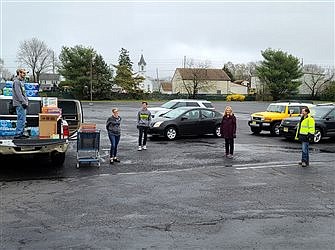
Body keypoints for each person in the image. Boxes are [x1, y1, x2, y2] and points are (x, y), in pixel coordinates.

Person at [12, 68, 29, 139]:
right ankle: (18, 134)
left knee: (23, 120)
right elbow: (19, 94)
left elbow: (23, 93)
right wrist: (23, 102)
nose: (25, 75)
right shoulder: (16, 82)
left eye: (25, 73)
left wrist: (26, 101)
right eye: (23, 73)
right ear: (19, 73)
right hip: (20, 104)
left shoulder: (21, 82)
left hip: (22, 103)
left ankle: (20, 133)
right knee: (21, 119)